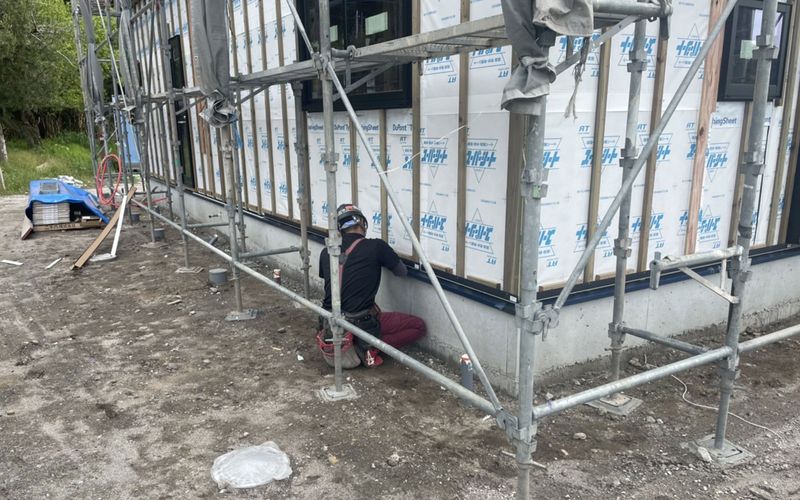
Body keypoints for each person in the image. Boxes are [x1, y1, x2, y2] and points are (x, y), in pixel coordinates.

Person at [318, 204, 426, 367]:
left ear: (339, 229)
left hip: (330, 321)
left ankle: (355, 342)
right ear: (363, 224)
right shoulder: (376, 246)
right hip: (361, 320)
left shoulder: (326, 251)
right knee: (418, 327)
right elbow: (401, 271)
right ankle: (371, 346)